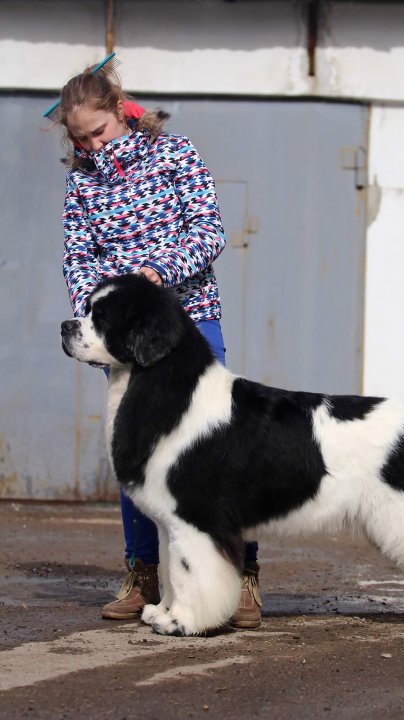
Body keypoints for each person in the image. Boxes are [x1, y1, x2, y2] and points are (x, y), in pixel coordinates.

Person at [46, 54, 262, 629]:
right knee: (136, 455)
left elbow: (209, 230)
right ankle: (144, 575)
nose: (91, 146)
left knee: (214, 451)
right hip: (122, 337)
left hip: (192, 320)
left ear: (122, 111)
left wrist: (156, 275)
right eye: (81, 139)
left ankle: (240, 579)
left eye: (99, 132)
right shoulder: (81, 182)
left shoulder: (176, 153)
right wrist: (98, 309)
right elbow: (77, 255)